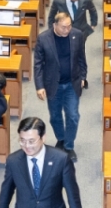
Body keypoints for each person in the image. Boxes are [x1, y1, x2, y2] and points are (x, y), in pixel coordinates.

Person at [33, 12, 87, 161]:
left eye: (69, 26)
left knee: (73, 116)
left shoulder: (77, 35)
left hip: (72, 83)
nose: (67, 30)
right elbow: (38, 64)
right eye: (64, 27)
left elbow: (82, 57)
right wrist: (39, 86)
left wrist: (83, 77)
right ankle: (61, 138)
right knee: (55, 116)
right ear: (55, 25)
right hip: (52, 85)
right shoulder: (43, 39)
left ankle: (69, 146)